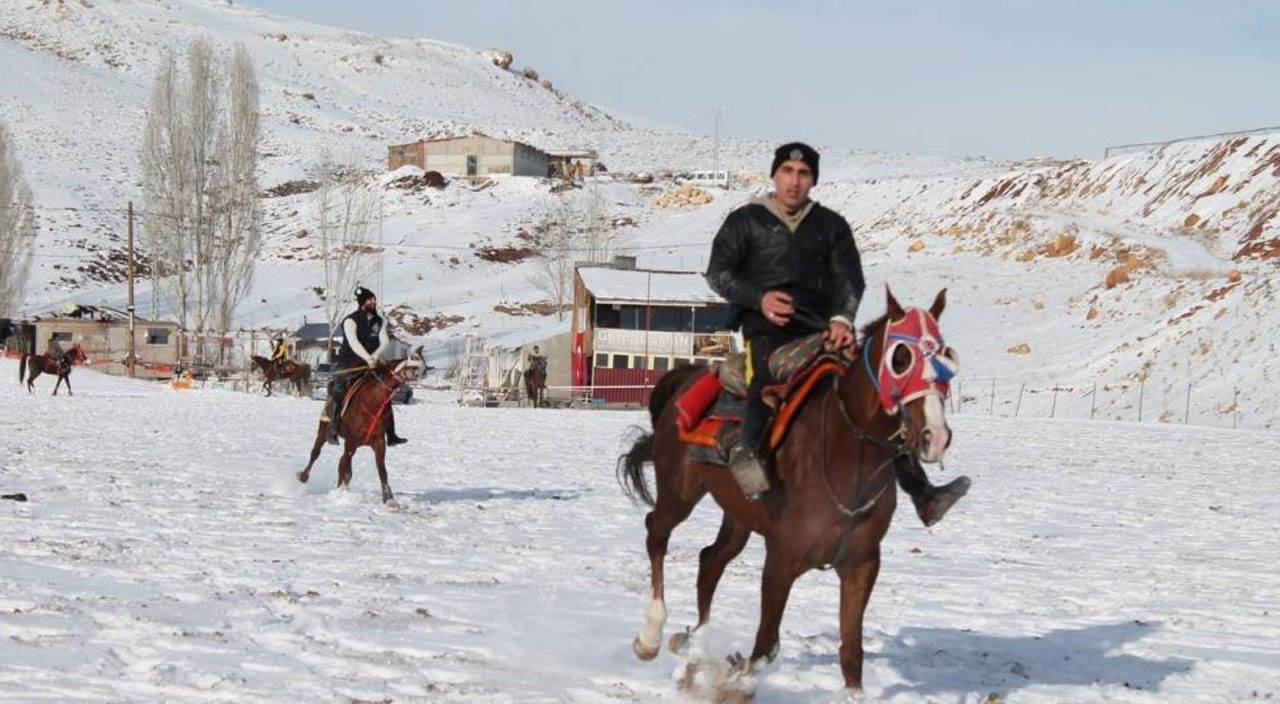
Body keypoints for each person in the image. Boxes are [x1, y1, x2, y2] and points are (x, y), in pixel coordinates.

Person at [704, 142, 968, 523]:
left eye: (803, 174)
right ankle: (748, 453)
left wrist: (843, 319)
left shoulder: (831, 227)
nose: (795, 182)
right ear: (775, 175)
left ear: (813, 179)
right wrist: (759, 298)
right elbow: (718, 273)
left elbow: (849, 281)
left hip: (823, 331)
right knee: (765, 378)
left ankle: (921, 491)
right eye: (788, 173)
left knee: (870, 391)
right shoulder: (745, 221)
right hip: (766, 331)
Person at [324, 287, 408, 447]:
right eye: (370, 300)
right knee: (339, 391)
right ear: (362, 302)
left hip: (370, 364)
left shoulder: (380, 320)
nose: (373, 302)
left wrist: (374, 358)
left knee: (384, 392)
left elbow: (384, 341)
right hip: (349, 364)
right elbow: (353, 343)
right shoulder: (350, 321)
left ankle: (391, 434)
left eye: (374, 299)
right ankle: (333, 428)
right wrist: (368, 358)